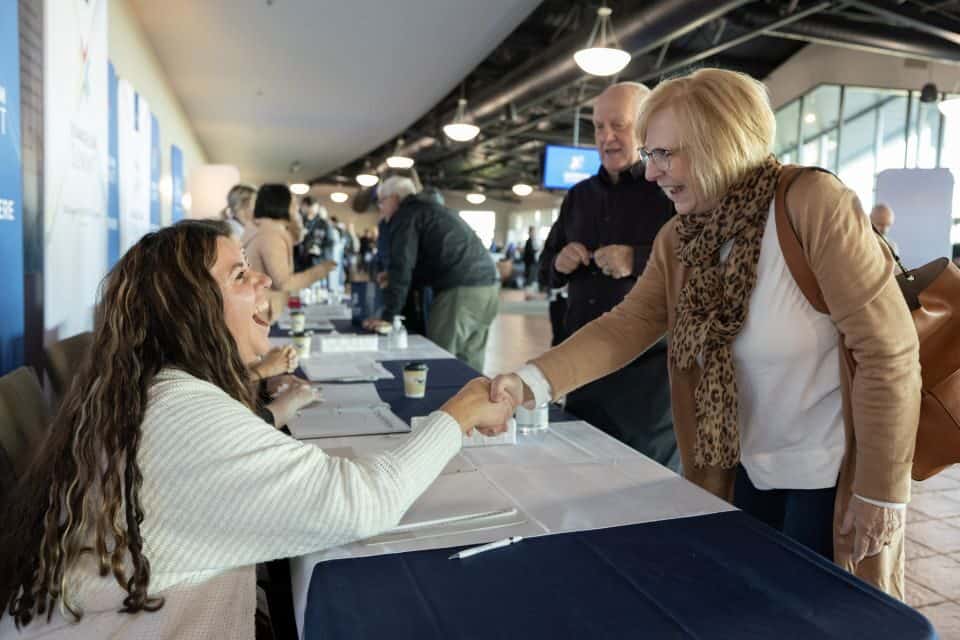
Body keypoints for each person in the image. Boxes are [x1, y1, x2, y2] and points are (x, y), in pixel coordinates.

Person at [491, 68, 920, 599]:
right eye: (651, 155)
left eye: (665, 155)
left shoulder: (812, 204)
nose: (652, 174)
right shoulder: (681, 237)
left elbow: (888, 351)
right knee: (744, 606)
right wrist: (526, 383)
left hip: (828, 475)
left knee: (825, 614)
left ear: (721, 144)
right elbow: (626, 326)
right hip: (738, 467)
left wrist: (881, 492)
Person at [0, 220, 512, 638]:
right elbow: (363, 502)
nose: (264, 280)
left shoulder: (153, 390)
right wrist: (460, 412)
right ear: (191, 311)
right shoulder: (183, 413)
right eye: (239, 275)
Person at [538, 82, 678, 469]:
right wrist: (558, 263)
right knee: (579, 479)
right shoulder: (578, 196)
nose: (606, 137)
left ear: (647, 128)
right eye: (599, 127)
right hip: (582, 370)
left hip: (646, 381)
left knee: (644, 497)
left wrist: (637, 259)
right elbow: (544, 269)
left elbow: (699, 262)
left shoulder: (669, 189)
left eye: (618, 125)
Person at [364, 176, 499, 371]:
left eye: (381, 201)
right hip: (489, 286)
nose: (380, 208)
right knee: (471, 364)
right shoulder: (431, 209)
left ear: (394, 198)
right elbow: (432, 257)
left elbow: (401, 267)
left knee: (439, 361)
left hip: (460, 291)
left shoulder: (406, 215)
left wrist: (388, 317)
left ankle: (444, 403)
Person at [242, 184, 335, 293]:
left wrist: (295, 221)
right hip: (265, 303)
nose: (297, 208)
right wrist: (320, 271)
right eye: (293, 204)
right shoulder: (271, 236)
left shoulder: (262, 227)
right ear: (282, 205)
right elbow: (283, 283)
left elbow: (297, 238)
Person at [294, 196, 338, 273]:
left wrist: (320, 251)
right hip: (297, 264)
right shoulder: (297, 222)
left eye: (312, 206)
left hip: (316, 264)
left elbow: (330, 244)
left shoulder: (324, 224)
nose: (306, 209)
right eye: (305, 206)